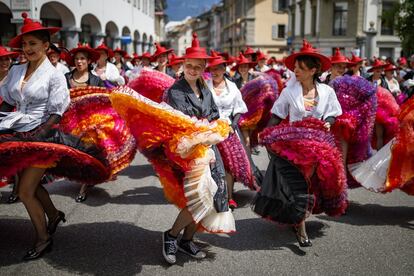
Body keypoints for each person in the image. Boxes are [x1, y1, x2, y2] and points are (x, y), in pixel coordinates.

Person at [253, 40, 345, 247]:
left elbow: (333, 114)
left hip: (319, 146)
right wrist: (265, 134)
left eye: (300, 68)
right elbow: (276, 115)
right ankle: (301, 227)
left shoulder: (327, 92)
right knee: (300, 184)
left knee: (310, 185)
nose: (295, 71)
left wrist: (328, 123)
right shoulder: (289, 92)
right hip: (293, 147)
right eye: (295, 67)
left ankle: (298, 217)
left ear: (313, 70)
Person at [0, 13, 69, 260]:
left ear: (45, 46)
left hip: (43, 136)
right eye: (24, 44)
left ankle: (43, 239)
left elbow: (56, 113)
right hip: (17, 130)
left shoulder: (55, 75)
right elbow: (8, 102)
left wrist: (34, 137)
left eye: (33, 44)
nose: (27, 49)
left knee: (26, 190)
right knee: (33, 185)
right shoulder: (17, 71)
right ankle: (54, 214)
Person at [163, 33, 234, 264]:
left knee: (212, 197)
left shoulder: (205, 89)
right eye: (189, 65)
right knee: (198, 199)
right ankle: (171, 236)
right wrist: (206, 131)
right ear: (183, 65)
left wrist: (219, 127)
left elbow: (213, 115)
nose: (192, 70)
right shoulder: (176, 91)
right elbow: (182, 124)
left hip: (210, 149)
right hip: (190, 153)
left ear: (204, 67)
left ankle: (187, 240)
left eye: (197, 66)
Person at [205, 50, 251, 209]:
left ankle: (229, 196)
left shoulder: (232, 87)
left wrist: (233, 125)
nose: (215, 72)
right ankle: (212, 196)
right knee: (210, 165)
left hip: (228, 130)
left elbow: (239, 109)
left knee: (229, 165)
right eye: (212, 69)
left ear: (224, 69)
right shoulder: (205, 86)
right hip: (209, 130)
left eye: (218, 68)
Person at [64, 43, 105, 203]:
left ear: (88, 61)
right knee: (74, 154)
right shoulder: (66, 78)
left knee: (89, 152)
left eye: (82, 59)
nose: (79, 61)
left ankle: (84, 186)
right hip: (70, 122)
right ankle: (84, 177)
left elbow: (102, 101)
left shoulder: (96, 80)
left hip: (90, 122)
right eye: (76, 59)